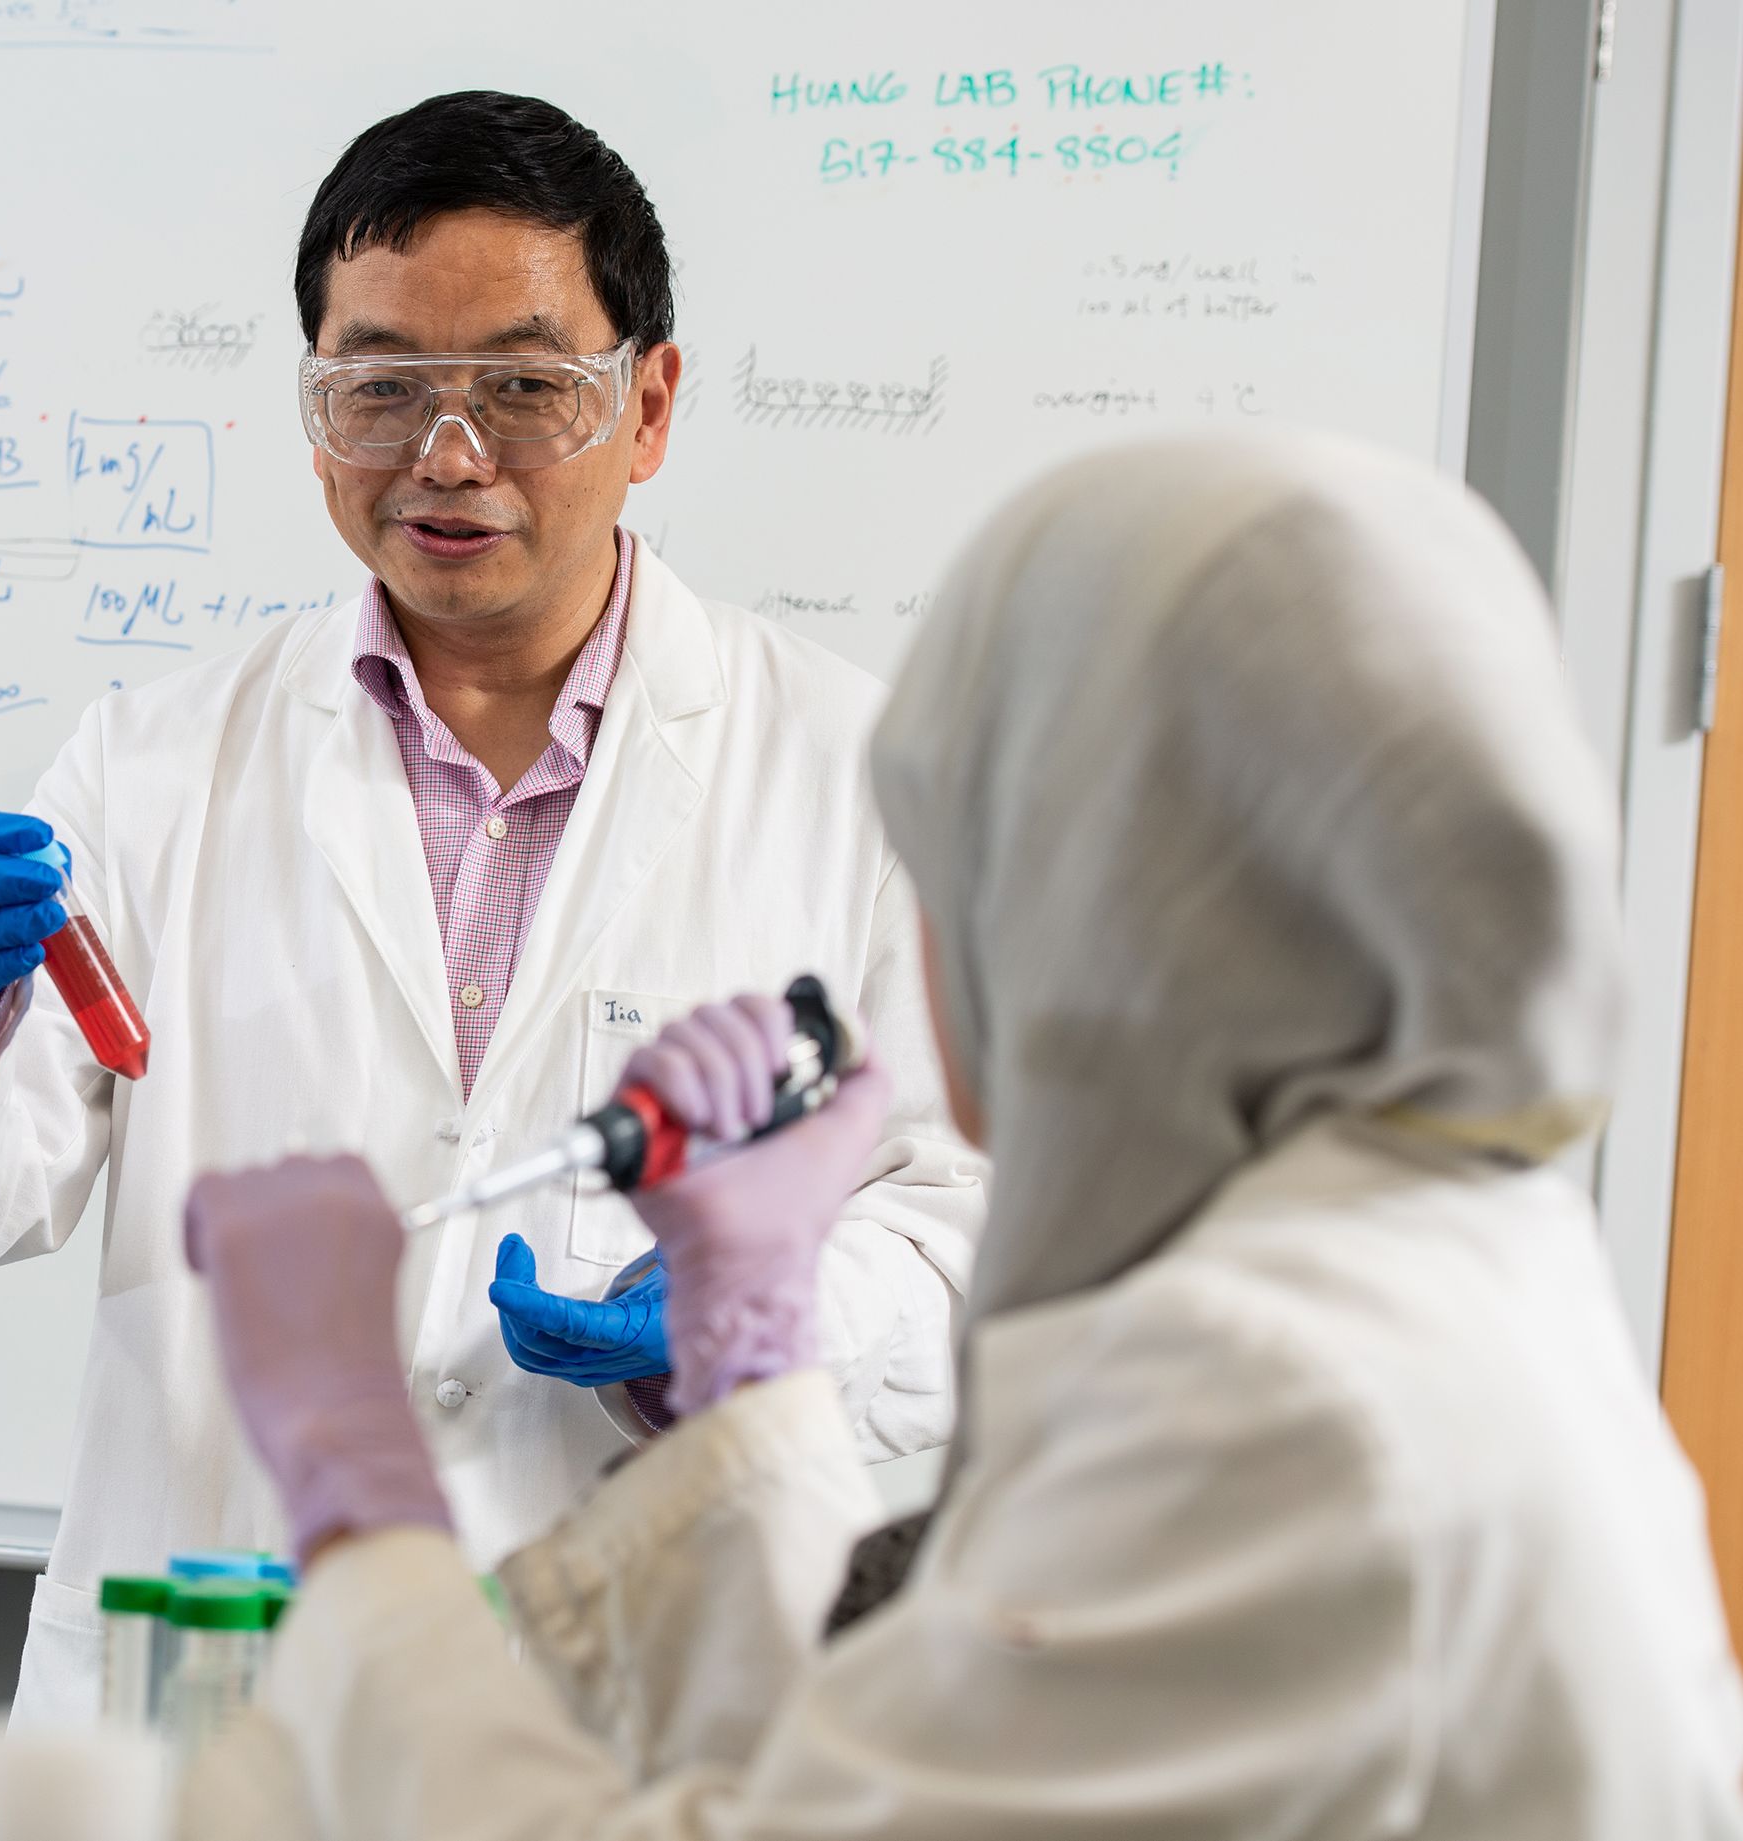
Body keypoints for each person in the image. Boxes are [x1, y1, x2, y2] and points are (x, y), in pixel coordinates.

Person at [175, 433, 1743, 1836]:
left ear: (1097, 907)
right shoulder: (1419, 1280)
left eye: (953, 862)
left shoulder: (1276, 1404)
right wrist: (757, 1372)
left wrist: (357, 1483)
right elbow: (861, 1774)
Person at [0, 91, 984, 1720]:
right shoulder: (151, 767)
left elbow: (969, 1229)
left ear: (649, 407)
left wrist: (752, 1315)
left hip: (637, 1715)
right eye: (381, 389)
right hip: (219, 1705)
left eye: (523, 386)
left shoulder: (860, 775)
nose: (448, 453)